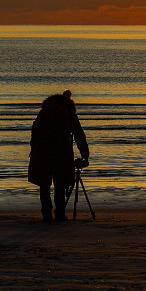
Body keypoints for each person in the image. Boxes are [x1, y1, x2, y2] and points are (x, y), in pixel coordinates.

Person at [28, 90, 89, 222]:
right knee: (60, 184)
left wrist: (33, 151)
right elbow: (79, 135)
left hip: (43, 153)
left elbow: (35, 132)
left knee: (44, 185)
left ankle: (46, 213)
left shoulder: (43, 113)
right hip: (62, 153)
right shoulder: (69, 113)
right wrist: (85, 155)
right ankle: (59, 213)